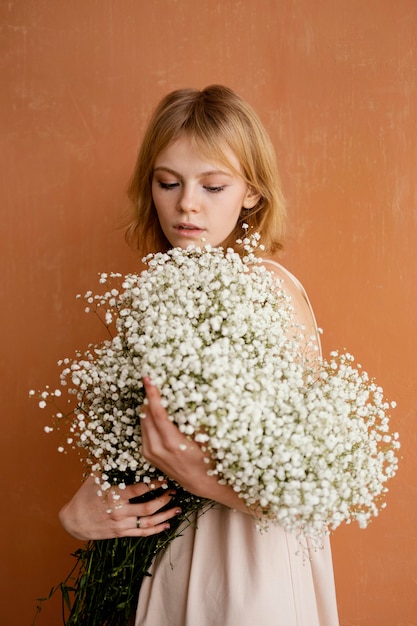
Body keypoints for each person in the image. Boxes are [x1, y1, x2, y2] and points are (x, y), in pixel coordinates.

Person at [59, 85, 340, 626]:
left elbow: (315, 488)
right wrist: (80, 515)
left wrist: (198, 477)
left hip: (248, 571)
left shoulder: (269, 291)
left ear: (252, 194)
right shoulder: (152, 298)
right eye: (168, 182)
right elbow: (141, 449)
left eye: (213, 185)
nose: (187, 203)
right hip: (165, 560)